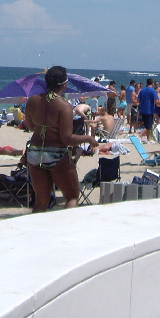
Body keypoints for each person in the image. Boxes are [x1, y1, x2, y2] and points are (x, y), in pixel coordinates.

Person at [24, 66, 98, 212]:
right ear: (64, 84)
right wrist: (89, 138)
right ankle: (68, 226)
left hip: (34, 152)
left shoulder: (32, 100)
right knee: (72, 197)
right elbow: (67, 139)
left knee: (41, 201)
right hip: (55, 154)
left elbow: (31, 127)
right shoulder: (64, 106)